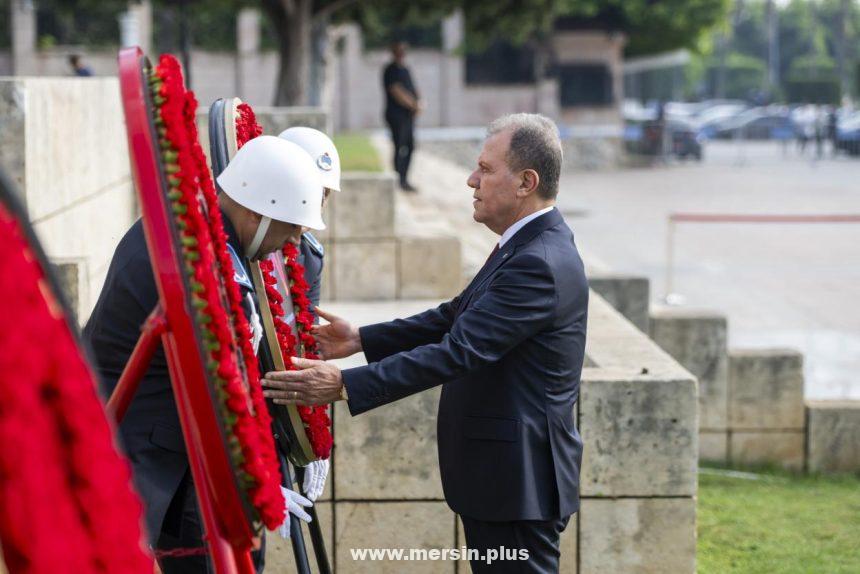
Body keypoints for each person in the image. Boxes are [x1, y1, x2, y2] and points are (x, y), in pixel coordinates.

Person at [262, 113, 588, 573]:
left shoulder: (540, 261)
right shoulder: (525, 245)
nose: (472, 180)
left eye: (487, 169)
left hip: (520, 484)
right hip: (503, 480)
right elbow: (454, 315)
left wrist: (343, 384)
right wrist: (361, 339)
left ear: (526, 182)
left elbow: (460, 350)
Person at [83, 136, 325, 573]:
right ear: (255, 213)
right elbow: (218, 388)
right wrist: (259, 475)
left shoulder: (200, 230)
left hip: (166, 447)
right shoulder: (205, 263)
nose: (292, 242)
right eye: (290, 227)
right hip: (146, 452)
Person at [276, 126, 343, 502]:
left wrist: (309, 421)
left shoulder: (309, 255)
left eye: (325, 194)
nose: (316, 204)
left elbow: (304, 337)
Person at [382, 41, 421, 192]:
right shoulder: (390, 70)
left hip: (407, 116)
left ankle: (404, 179)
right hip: (396, 115)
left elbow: (413, 89)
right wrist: (413, 105)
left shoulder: (405, 69)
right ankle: (398, 180)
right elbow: (396, 91)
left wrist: (419, 103)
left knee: (410, 146)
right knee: (399, 146)